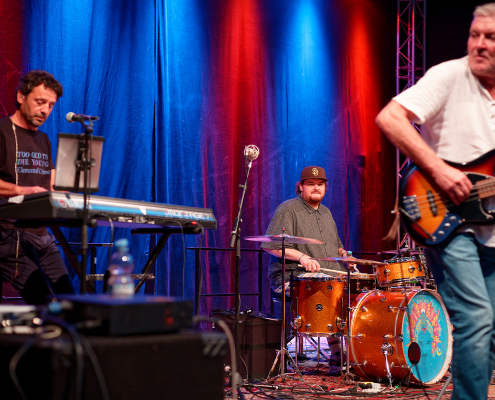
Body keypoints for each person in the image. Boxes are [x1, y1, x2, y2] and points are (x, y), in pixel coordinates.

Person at [376, 4, 495, 399]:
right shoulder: (449, 76)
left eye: (490, 37)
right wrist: (440, 171)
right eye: (475, 34)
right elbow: (390, 118)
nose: (480, 44)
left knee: (490, 330)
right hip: (444, 219)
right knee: (476, 319)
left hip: (491, 229)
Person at [0, 70, 75, 305]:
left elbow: (50, 183)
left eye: (51, 105)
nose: (45, 110)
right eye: (40, 102)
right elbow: (32, 189)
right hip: (9, 233)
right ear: (21, 96)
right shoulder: (2, 132)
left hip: (42, 234)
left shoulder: (43, 139)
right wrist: (26, 191)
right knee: (45, 303)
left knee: (69, 302)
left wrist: (65, 192)